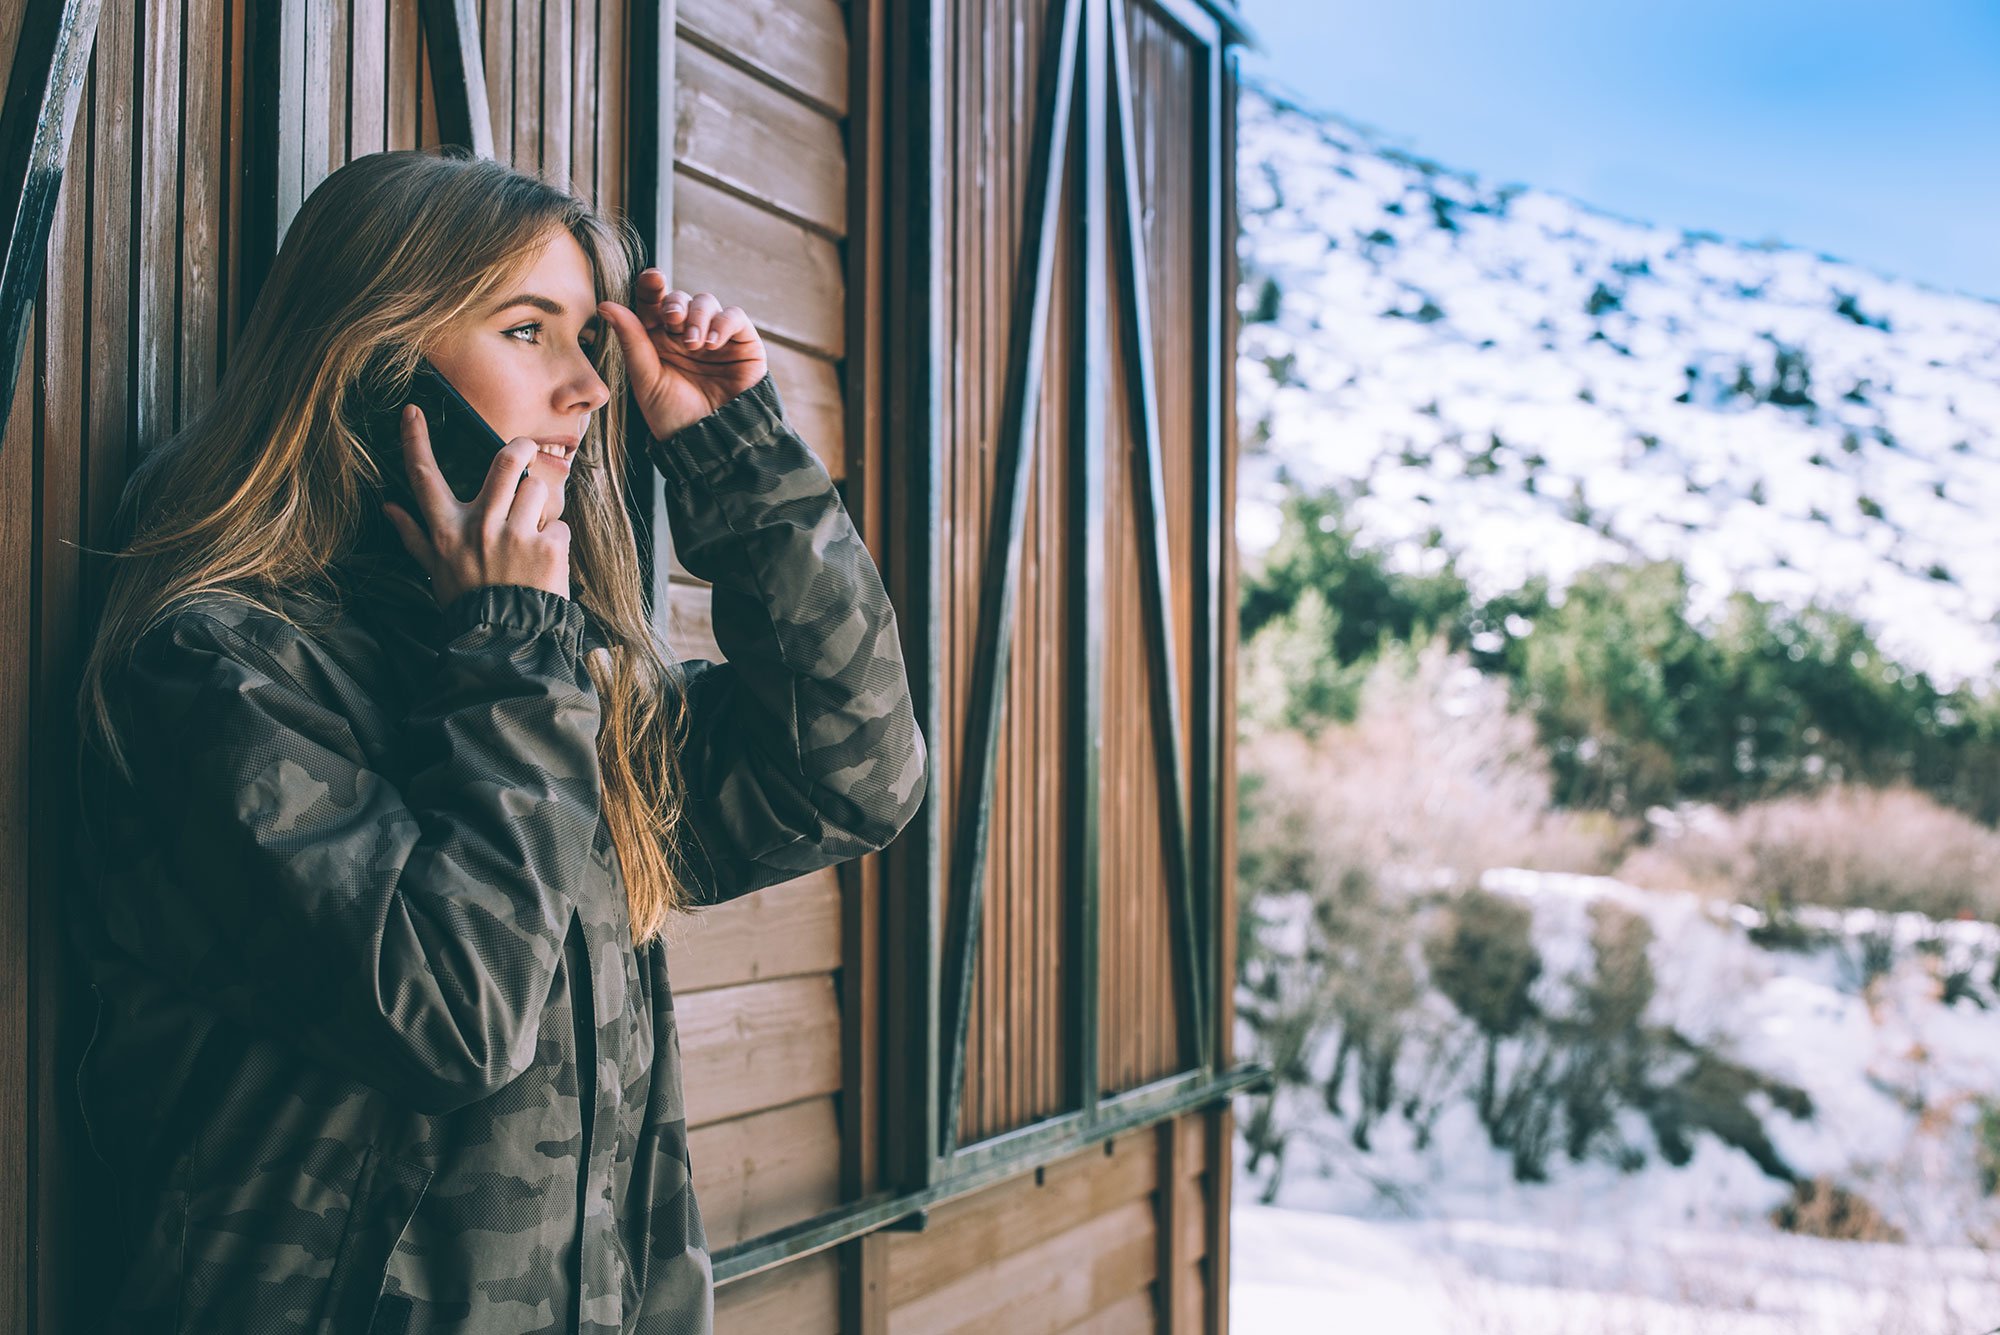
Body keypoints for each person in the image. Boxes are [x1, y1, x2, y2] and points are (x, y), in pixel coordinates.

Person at [68, 146, 927, 1334]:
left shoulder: (547, 681)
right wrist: (514, 643)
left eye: (589, 343)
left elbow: (851, 775)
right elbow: (450, 1020)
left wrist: (734, 453)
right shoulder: (218, 670)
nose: (588, 388)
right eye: (529, 331)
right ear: (378, 364)